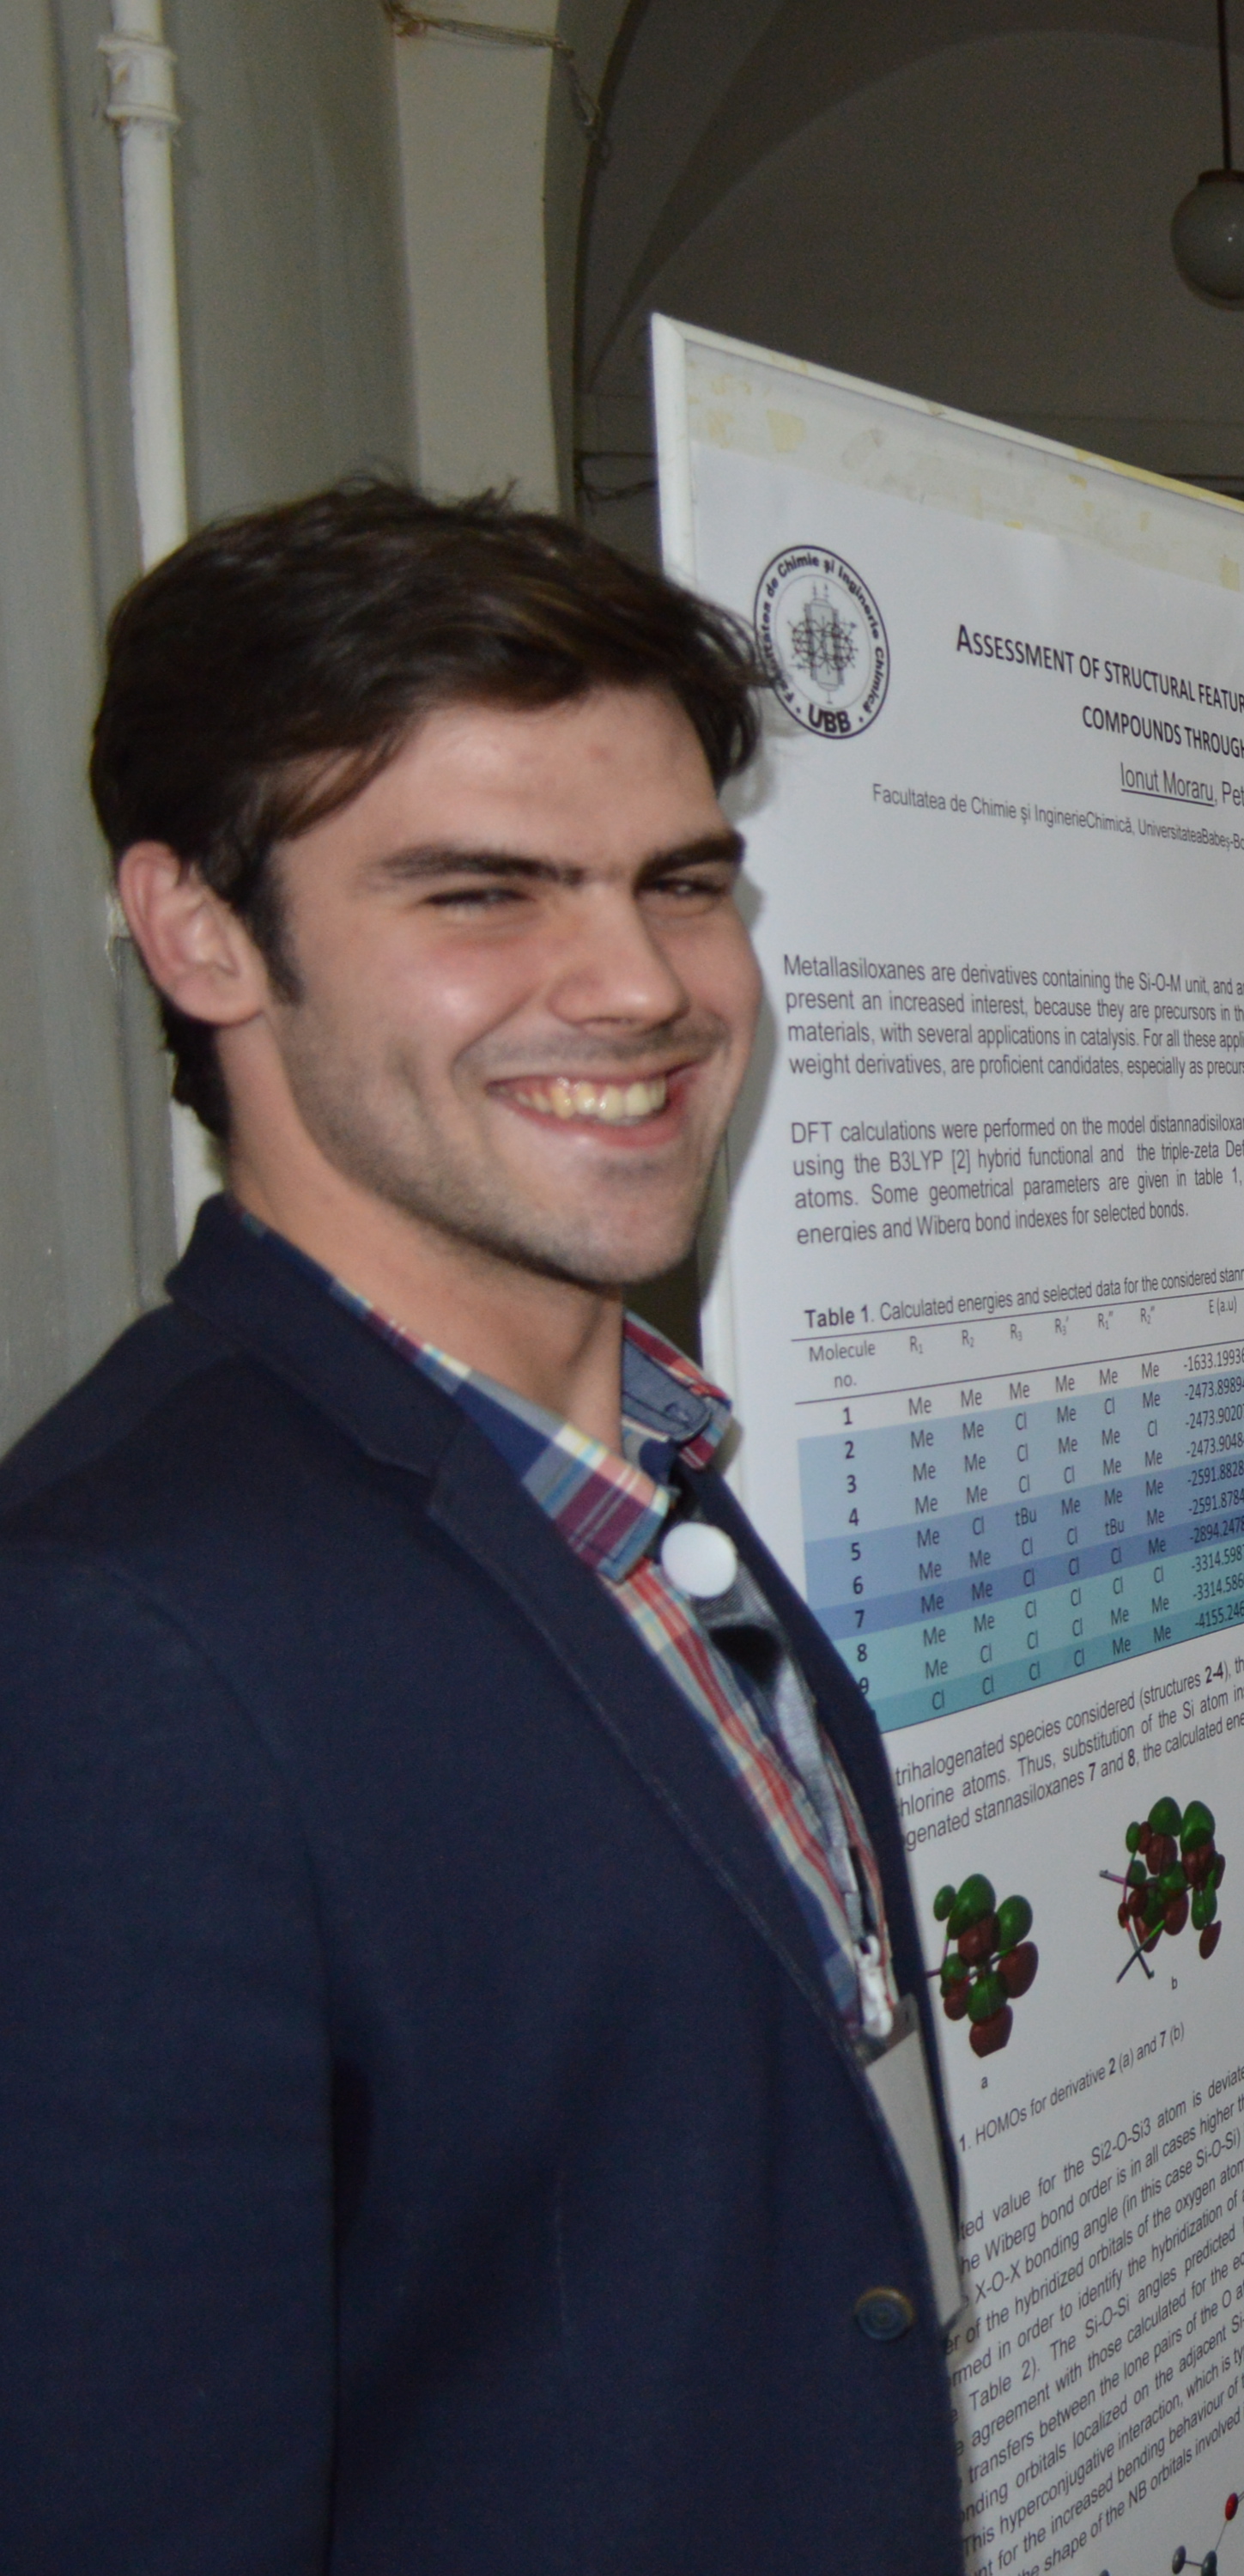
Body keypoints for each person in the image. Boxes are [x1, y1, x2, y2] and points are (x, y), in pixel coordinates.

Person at [0, 483, 966, 2569]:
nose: (638, 988)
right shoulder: (102, 1642)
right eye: (482, 894)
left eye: (682, 884)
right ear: (198, 932)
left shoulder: (643, 1478)